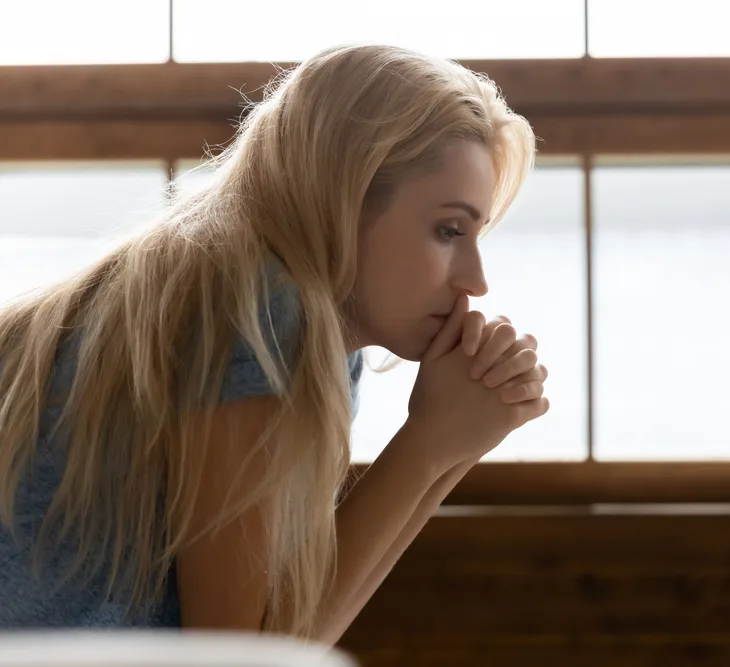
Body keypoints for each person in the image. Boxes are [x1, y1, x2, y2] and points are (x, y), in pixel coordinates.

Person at [0, 43, 549, 643]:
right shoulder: (256, 309)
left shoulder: (312, 336)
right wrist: (427, 446)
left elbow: (285, 638)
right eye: (448, 230)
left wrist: (449, 445)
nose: (476, 279)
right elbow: (244, 657)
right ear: (345, 198)